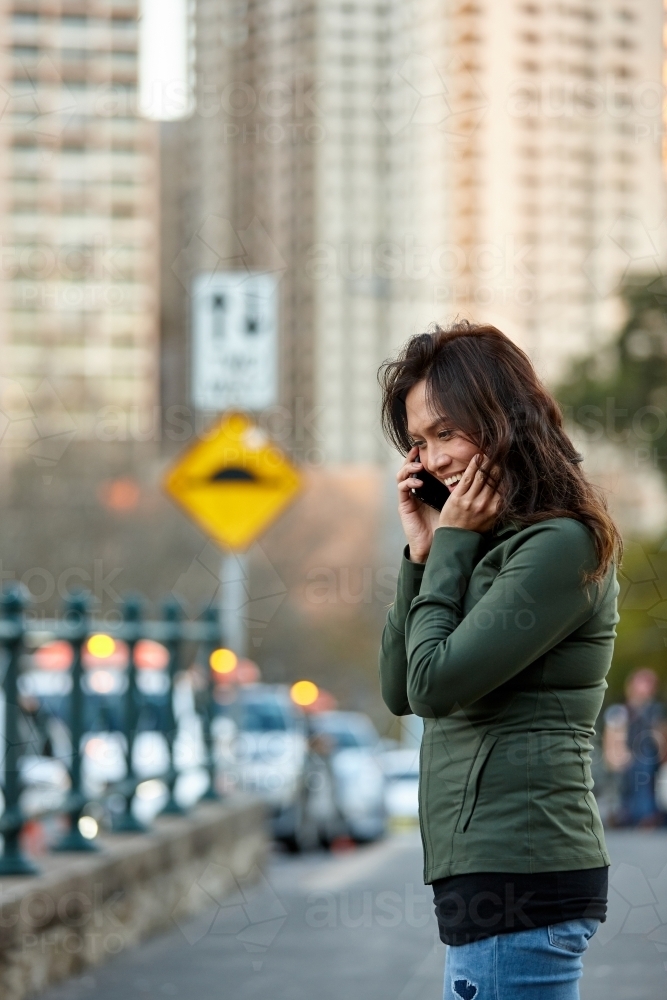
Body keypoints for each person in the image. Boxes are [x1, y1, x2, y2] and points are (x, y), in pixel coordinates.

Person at [378, 322, 621, 1000]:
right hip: (486, 873)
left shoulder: (557, 547)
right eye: (419, 442)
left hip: (521, 870)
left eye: (448, 432)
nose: (434, 459)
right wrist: (423, 556)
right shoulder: (481, 546)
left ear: (505, 420)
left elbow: (433, 685)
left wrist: (451, 546)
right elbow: (398, 689)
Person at [603, 668, 666, 827]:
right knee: (640, 765)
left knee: (645, 762)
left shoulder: (655, 712)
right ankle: (643, 814)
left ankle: (641, 814)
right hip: (629, 757)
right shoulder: (620, 712)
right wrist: (617, 758)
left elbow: (661, 741)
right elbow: (612, 740)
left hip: (651, 758)